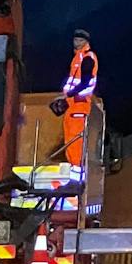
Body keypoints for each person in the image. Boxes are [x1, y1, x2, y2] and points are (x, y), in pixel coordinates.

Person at [59, 30, 98, 169]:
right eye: (75, 39)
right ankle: (73, 170)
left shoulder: (88, 57)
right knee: (69, 138)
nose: (76, 42)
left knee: (76, 139)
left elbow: (85, 82)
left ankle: (76, 176)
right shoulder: (77, 58)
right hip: (73, 104)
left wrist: (68, 94)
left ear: (86, 42)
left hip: (80, 104)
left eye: (80, 40)